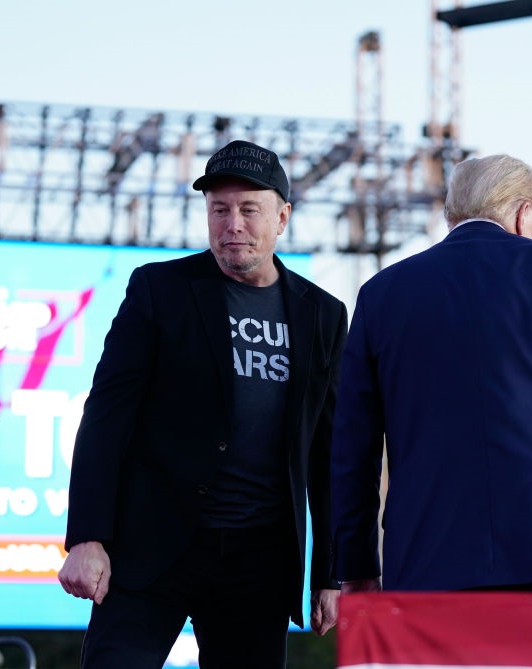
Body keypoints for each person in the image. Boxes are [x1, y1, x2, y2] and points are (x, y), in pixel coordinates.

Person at [58, 139, 348, 668]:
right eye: (219, 209)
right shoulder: (160, 289)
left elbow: (328, 451)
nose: (232, 223)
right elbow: (106, 417)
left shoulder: (323, 314)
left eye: (248, 209)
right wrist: (87, 537)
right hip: (152, 548)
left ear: (282, 217)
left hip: (259, 559)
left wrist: (331, 573)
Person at [331, 153, 532, 596]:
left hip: (429, 564)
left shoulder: (380, 295)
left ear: (451, 215)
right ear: (524, 212)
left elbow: (354, 446)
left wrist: (355, 566)